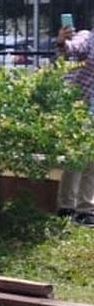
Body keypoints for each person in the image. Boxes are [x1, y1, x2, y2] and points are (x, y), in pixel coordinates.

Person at [55, 21, 94, 225]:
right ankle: (67, 207)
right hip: (78, 106)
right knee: (78, 157)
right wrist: (63, 41)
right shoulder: (88, 37)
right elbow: (73, 49)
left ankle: (86, 210)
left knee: (92, 160)